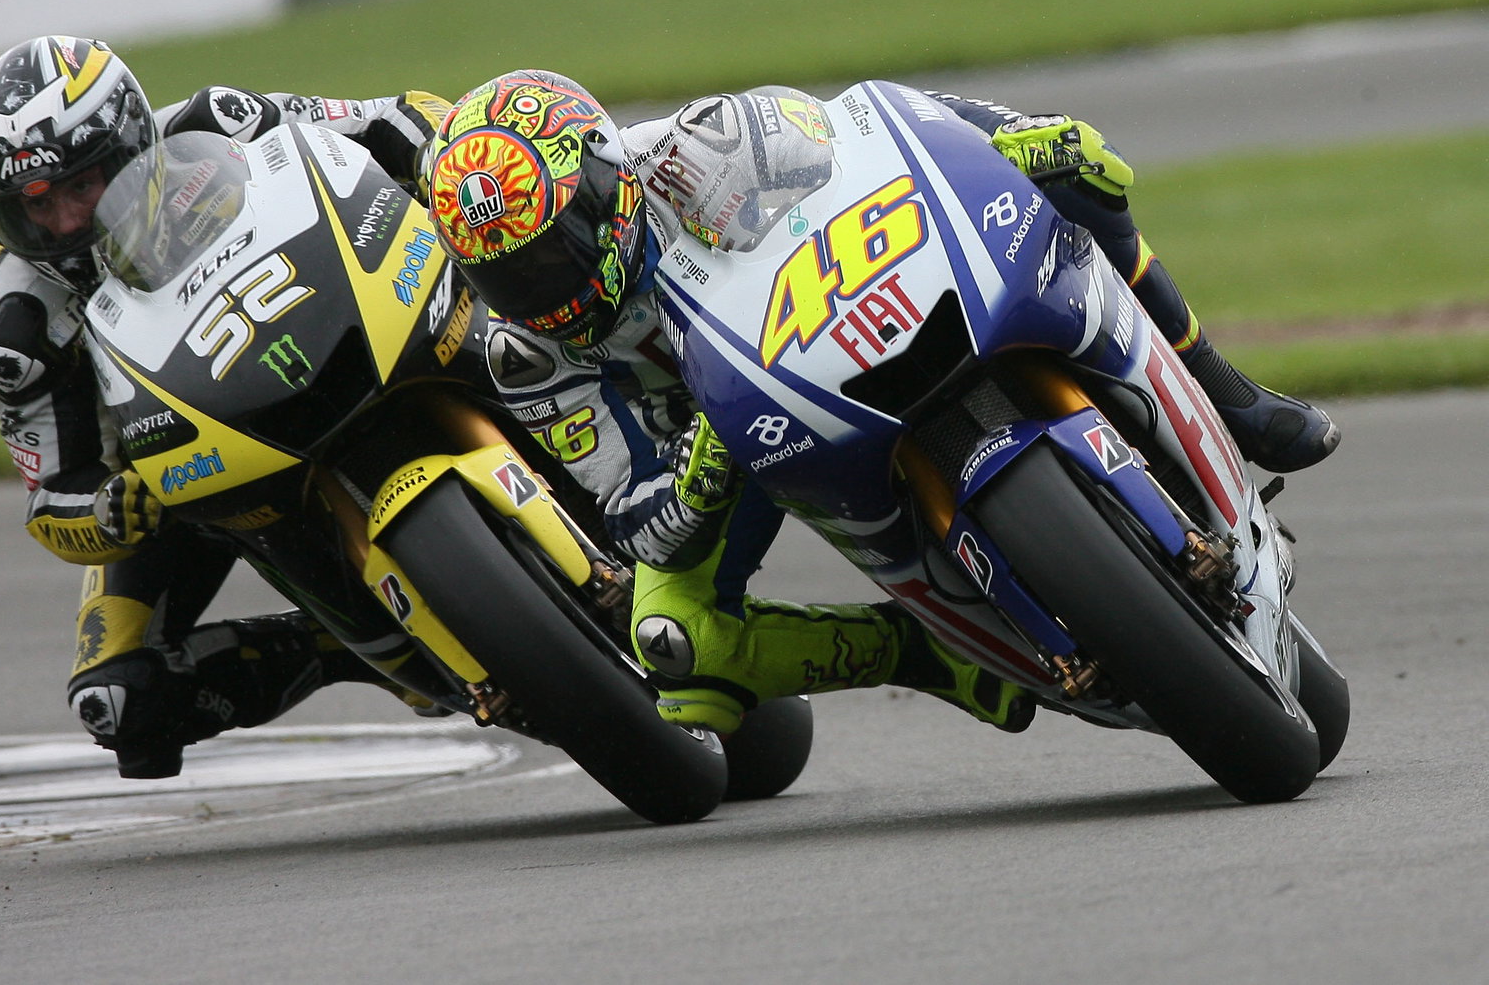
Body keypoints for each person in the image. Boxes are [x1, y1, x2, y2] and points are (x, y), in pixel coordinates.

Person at [420, 70, 1339, 737]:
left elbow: (894, 130)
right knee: (671, 640)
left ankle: (1228, 390)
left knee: (1075, 172)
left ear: (601, 180)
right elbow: (638, 526)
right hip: (744, 455)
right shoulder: (527, 356)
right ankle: (921, 653)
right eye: (503, 274)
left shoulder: (707, 145)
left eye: (551, 249)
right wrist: (699, 475)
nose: (540, 286)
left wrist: (1013, 137)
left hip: (854, 315)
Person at [0, 35, 452, 777]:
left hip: (339, 334)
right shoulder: (17, 330)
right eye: (32, 207)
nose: (63, 224)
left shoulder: (216, 126)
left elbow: (401, 122)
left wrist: (453, 168)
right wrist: (106, 512)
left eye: (81, 187)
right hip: (191, 473)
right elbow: (51, 498)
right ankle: (346, 647)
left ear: (131, 145)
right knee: (117, 697)